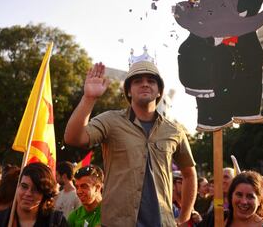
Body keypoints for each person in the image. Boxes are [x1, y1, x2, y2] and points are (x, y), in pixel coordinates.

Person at [64, 55, 197, 226]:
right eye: (137, 81)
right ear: (128, 90)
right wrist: (89, 99)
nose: (145, 84)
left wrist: (184, 216)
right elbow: (73, 138)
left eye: (151, 80)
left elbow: (189, 173)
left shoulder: (175, 131)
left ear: (159, 91)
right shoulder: (110, 121)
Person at [0, 162, 68, 227]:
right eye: (24, 186)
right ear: (17, 187)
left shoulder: (56, 222)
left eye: (36, 189)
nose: (28, 193)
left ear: (45, 193)